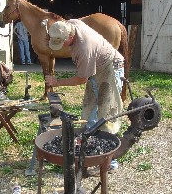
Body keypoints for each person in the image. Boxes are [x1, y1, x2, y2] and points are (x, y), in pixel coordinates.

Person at [45, 19, 125, 172]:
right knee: (89, 110)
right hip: (97, 69)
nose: (60, 45)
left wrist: (57, 82)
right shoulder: (71, 23)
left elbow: (81, 79)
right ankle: (87, 151)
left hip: (111, 69)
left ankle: (110, 161)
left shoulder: (84, 49)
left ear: (69, 37)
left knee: (107, 114)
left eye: (61, 42)